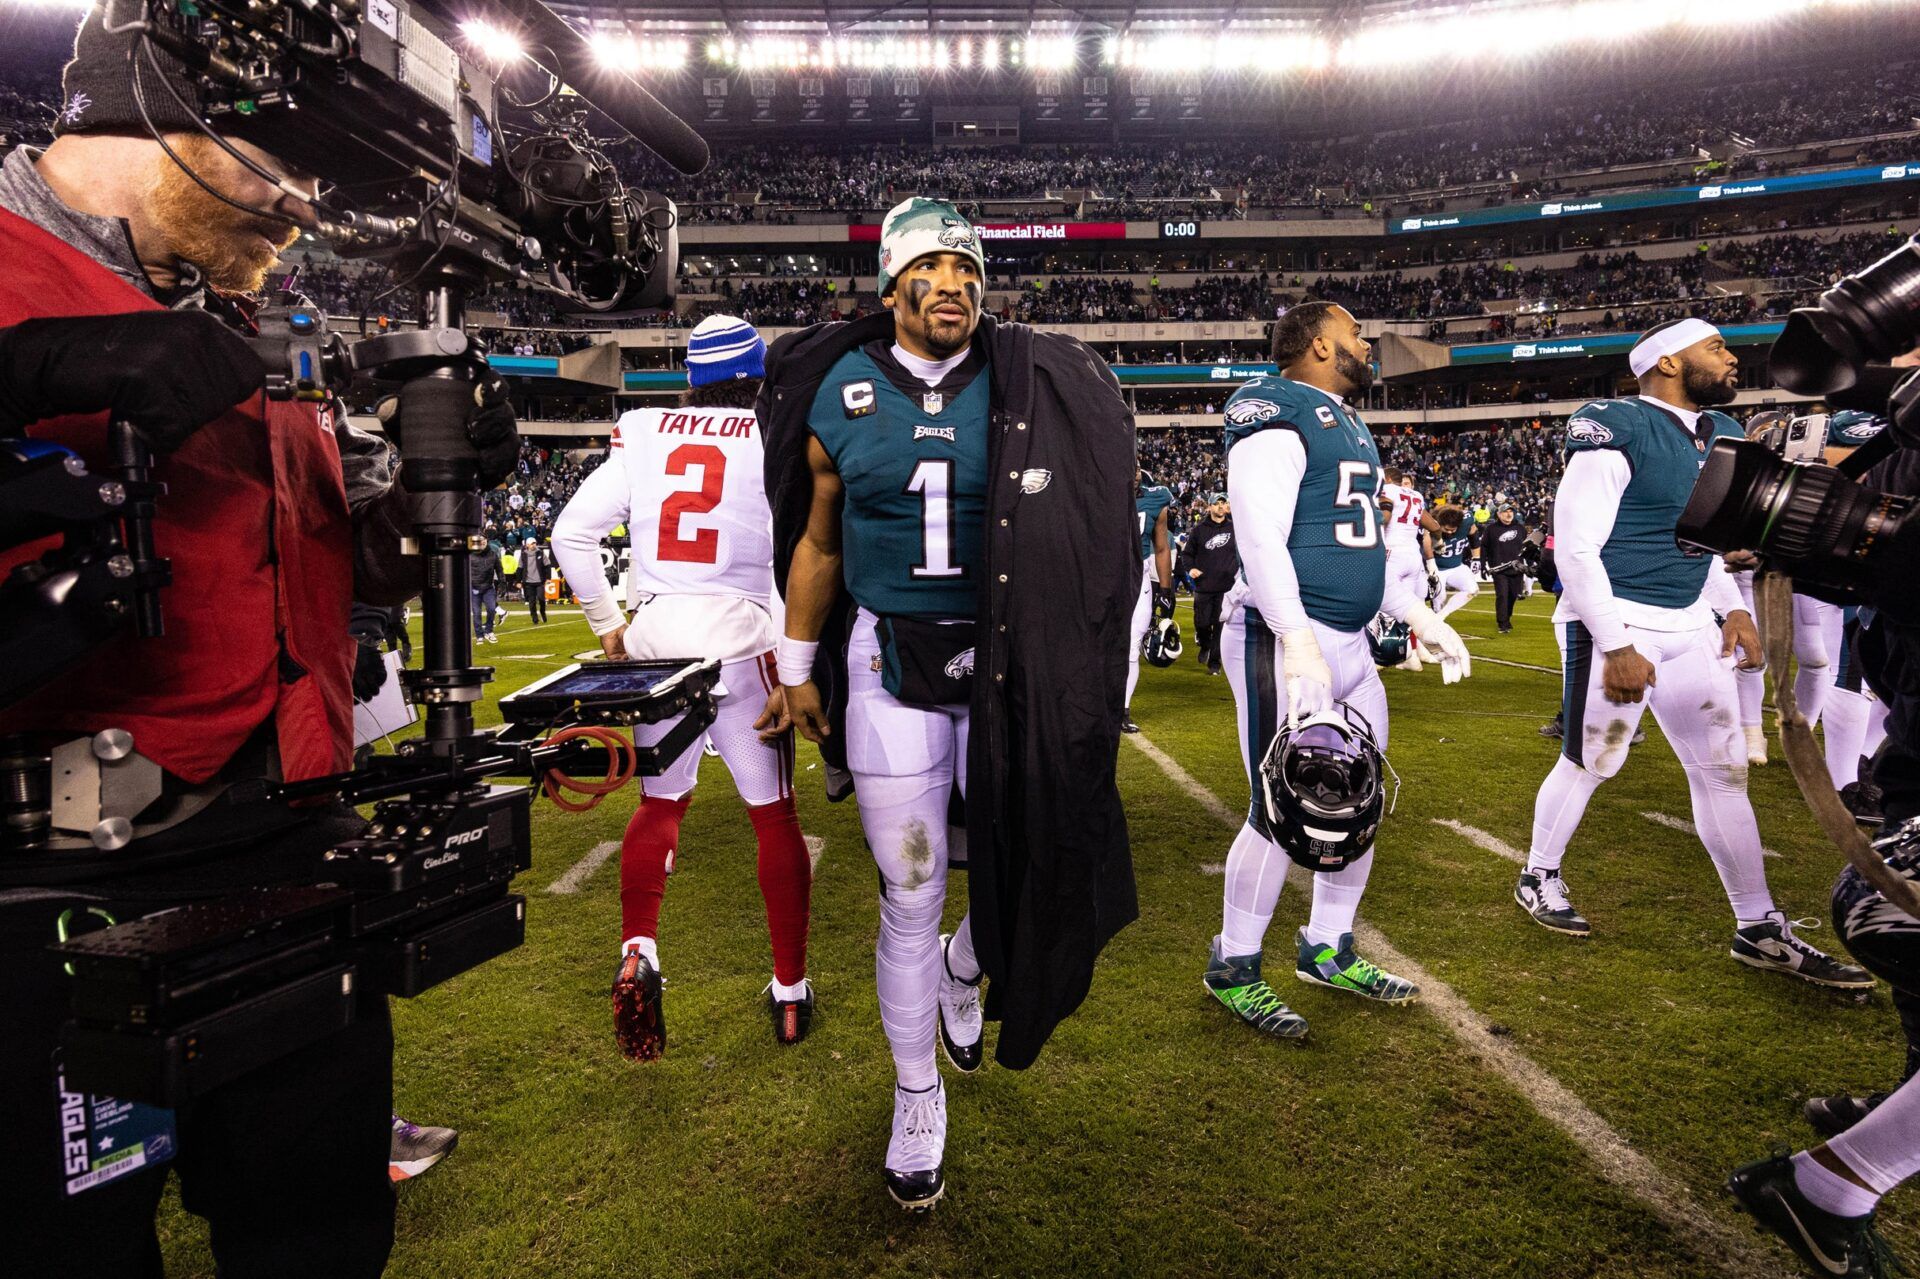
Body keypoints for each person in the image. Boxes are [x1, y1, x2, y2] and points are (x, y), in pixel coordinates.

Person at [0, 12, 515, 1276]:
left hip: (288, 846)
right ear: (153, 104)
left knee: (320, 1230)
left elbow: (308, 570)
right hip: (65, 877)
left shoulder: (235, 304)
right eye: (283, 165)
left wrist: (421, 508)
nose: (303, 208)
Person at [759, 198, 1137, 1209]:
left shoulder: (1026, 382)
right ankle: (916, 1093)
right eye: (934, 267)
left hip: (1011, 661)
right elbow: (820, 540)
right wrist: (797, 663)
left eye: (971, 270)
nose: (957, 285)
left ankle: (970, 968)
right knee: (912, 883)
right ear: (891, 284)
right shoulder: (842, 389)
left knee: (1034, 846)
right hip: (894, 659)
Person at [1512, 318, 1869, 987]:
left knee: (1723, 770)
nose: (1731, 359)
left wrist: (1731, 607)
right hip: (1617, 619)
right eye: (1717, 348)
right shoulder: (1617, 423)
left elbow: (1697, 541)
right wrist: (1616, 644)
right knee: (1595, 760)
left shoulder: (1723, 435)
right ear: (1669, 362)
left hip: (1686, 622)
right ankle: (1538, 873)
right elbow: (1577, 544)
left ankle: (1758, 924)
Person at [1203, 301, 1473, 1040]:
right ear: (1320, 344)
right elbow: (1259, 538)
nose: (1367, 344)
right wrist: (1296, 638)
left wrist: (1421, 618)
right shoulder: (1275, 409)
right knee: (1278, 805)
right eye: (1356, 333)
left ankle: (1328, 945)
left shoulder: (1345, 420)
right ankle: (1232, 964)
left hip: (1350, 641)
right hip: (1282, 637)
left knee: (1358, 798)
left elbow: (1365, 552)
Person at [549, 314, 815, 1058]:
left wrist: (609, 626)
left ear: (693, 377)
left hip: (660, 645)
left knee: (661, 804)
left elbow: (570, 531)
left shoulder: (644, 431)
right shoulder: (774, 438)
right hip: (743, 640)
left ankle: (640, 948)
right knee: (774, 819)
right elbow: (797, 556)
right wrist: (796, 667)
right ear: (756, 378)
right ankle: (789, 992)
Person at [1125, 469, 1175, 731]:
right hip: (1101, 575)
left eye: (1136, 467)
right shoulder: (1097, 491)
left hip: (1139, 574)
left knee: (1134, 641)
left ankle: (1123, 709)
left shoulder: (1157, 498)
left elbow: (1162, 546)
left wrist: (1166, 591)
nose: (1133, 473)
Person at [1176, 492, 1236, 674]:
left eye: (1223, 503)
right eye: (1216, 503)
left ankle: (1215, 664)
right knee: (1201, 623)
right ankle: (1204, 643)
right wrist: (1191, 569)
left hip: (1226, 587)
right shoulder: (1199, 530)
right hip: (1204, 585)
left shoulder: (1235, 529)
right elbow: (1186, 555)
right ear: (1209, 507)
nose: (1220, 506)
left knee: (1220, 626)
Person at [1481, 503, 1530, 632]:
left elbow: (1526, 547)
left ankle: (1507, 618)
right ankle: (1502, 623)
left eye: (1511, 512)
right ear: (1498, 514)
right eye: (1505, 512)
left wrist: (1529, 564)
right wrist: (1482, 565)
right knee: (1502, 595)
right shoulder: (1491, 529)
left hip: (1516, 568)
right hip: (1499, 568)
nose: (1509, 514)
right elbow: (1484, 547)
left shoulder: (1520, 528)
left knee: (1513, 596)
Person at [1430, 506, 1480, 622]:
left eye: (1453, 530)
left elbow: (1474, 536)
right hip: (1437, 569)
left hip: (1456, 566)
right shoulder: (1430, 525)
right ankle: (1435, 622)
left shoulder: (1466, 520)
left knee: (1472, 589)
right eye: (1446, 529)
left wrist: (1476, 558)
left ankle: (1441, 617)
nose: (1450, 532)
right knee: (1439, 599)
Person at [471, 537, 501, 645]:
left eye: (484, 540)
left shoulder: (492, 554)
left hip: (488, 587)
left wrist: (502, 584)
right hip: (474, 588)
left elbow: (499, 569)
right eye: (480, 540)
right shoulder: (470, 555)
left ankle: (489, 631)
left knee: (492, 609)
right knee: (477, 613)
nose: (482, 542)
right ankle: (479, 635)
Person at [519, 534, 549, 625]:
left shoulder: (540, 553)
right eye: (532, 544)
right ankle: (534, 618)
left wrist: (548, 578)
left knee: (541, 599)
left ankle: (542, 612)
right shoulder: (523, 555)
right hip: (528, 582)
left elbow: (547, 566)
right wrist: (517, 581)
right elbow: (519, 568)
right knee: (531, 602)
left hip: (539, 581)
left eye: (535, 543)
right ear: (527, 545)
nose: (534, 545)